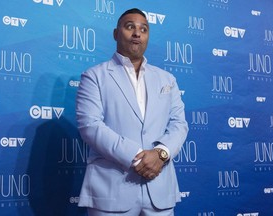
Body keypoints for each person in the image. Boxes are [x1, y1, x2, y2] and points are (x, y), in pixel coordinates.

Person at [76, 8, 189, 216]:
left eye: (143, 29)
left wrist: (160, 154)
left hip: (160, 187)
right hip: (111, 191)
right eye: (130, 27)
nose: (137, 33)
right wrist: (138, 157)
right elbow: (90, 126)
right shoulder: (94, 76)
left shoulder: (167, 79)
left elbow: (179, 124)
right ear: (116, 33)